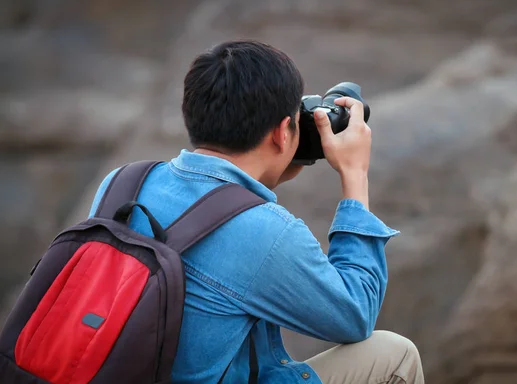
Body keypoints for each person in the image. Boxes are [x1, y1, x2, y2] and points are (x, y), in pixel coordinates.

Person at [88, 40, 424, 384]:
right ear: (282, 133)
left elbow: (214, 219)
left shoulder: (124, 182)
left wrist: (277, 164)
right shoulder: (267, 233)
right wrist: (354, 175)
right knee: (395, 355)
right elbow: (354, 315)